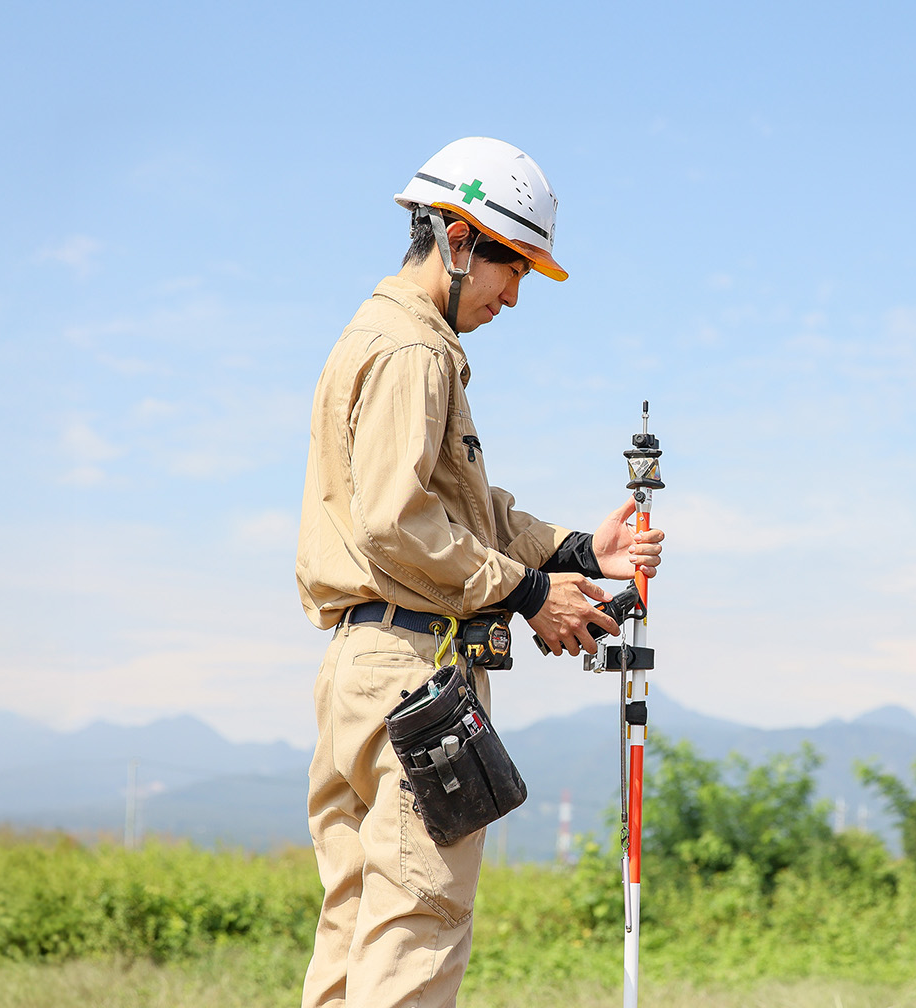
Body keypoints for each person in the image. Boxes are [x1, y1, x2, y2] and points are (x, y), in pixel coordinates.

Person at [295, 137, 665, 1008]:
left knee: (356, 935)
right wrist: (528, 593)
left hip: (362, 672)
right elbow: (397, 523)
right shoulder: (415, 353)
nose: (515, 293)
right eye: (513, 266)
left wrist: (574, 552)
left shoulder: (379, 335)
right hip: (415, 678)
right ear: (458, 240)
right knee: (417, 930)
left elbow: (453, 509)